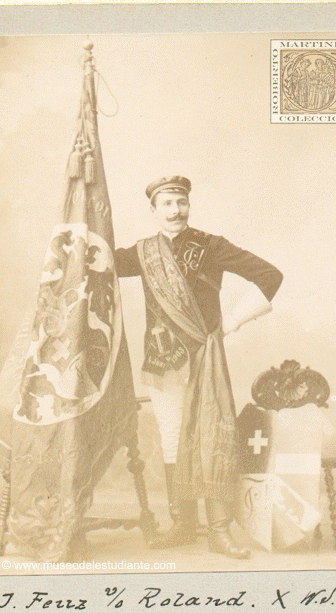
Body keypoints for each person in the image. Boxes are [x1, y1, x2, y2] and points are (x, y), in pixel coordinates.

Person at [115, 176, 283, 558]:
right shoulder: (142, 253)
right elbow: (98, 263)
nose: (175, 211)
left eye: (181, 202)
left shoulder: (211, 246)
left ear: (189, 205)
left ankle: (220, 530)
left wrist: (231, 322)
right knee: (174, 437)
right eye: (167, 204)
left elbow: (270, 277)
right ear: (153, 211)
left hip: (203, 358)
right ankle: (183, 524)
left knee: (212, 436)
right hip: (162, 363)